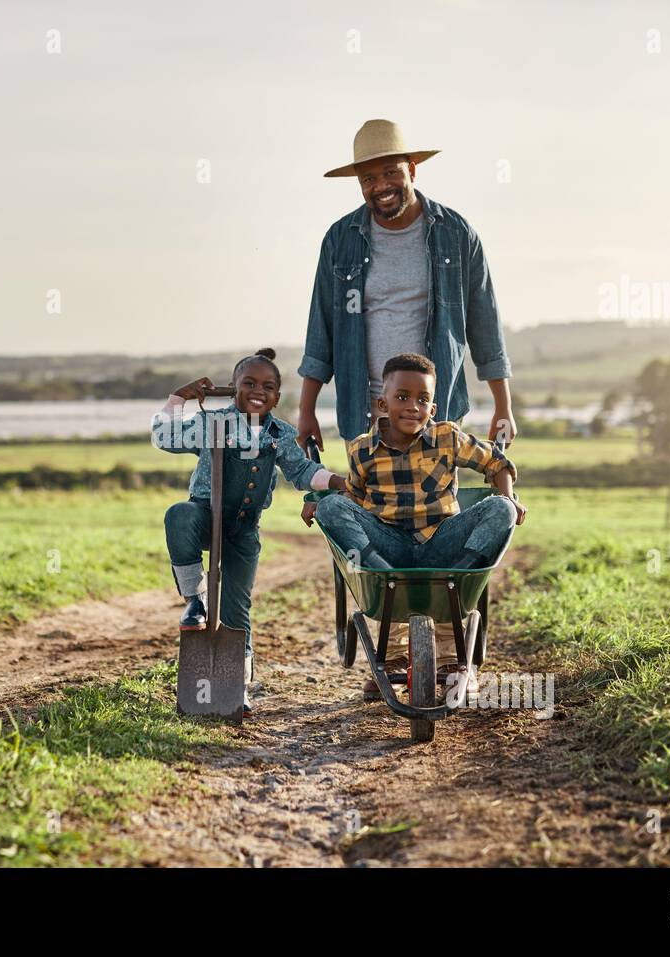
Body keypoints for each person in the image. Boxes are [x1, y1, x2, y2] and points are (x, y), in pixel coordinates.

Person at [307, 353, 526, 700]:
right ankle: (391, 650)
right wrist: (319, 501)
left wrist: (510, 497)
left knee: (500, 508)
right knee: (331, 506)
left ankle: (453, 637)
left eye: (422, 399)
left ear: (433, 408)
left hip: (441, 545)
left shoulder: (447, 437)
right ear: (383, 402)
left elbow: (497, 463)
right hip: (386, 548)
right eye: (402, 397)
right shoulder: (362, 450)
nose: (413, 406)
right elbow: (352, 497)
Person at [296, 118, 517, 459]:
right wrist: (306, 411)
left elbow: (485, 325)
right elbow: (321, 330)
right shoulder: (340, 241)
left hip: (435, 413)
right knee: (366, 512)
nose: (381, 185)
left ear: (412, 171)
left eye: (390, 172)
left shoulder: (456, 234)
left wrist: (503, 406)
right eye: (368, 178)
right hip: (364, 413)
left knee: (438, 511)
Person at [152, 348, 347, 715]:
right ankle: (194, 600)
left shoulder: (281, 433)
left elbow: (303, 472)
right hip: (204, 515)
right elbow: (164, 437)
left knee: (236, 610)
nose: (259, 391)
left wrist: (337, 481)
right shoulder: (213, 423)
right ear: (234, 387)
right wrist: (179, 396)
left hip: (243, 530)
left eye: (268, 387)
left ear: (277, 396)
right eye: (249, 384)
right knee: (177, 515)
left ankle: (236, 688)